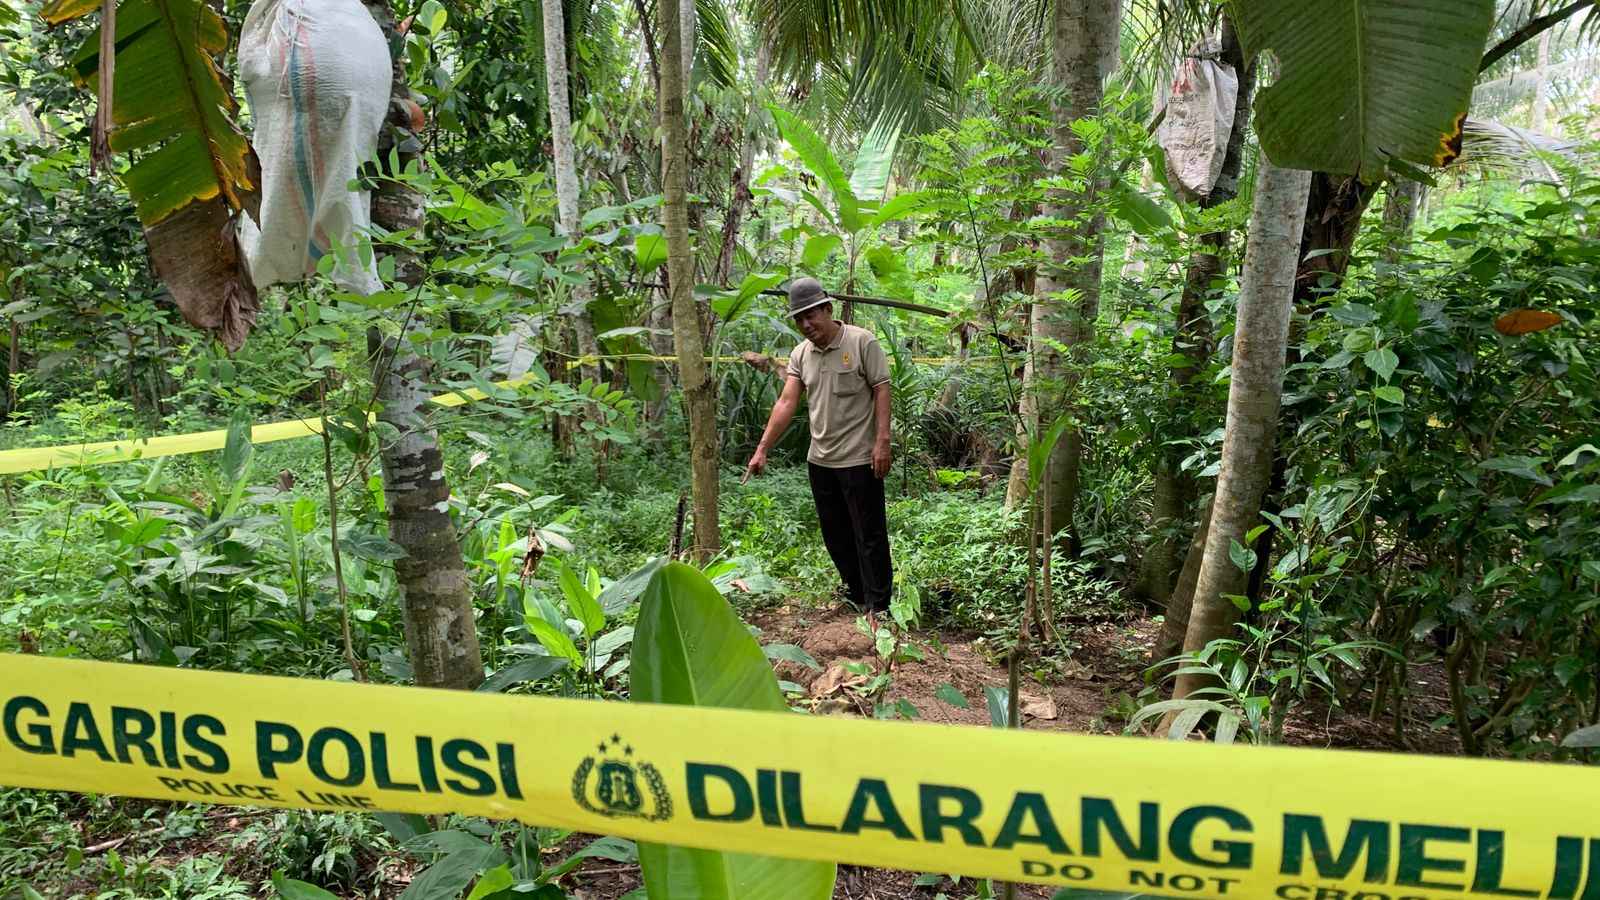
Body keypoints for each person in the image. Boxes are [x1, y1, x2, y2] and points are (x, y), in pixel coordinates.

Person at [744, 278, 894, 615]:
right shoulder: (800, 354)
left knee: (869, 534)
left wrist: (882, 442)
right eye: (799, 319)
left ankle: (879, 606)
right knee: (835, 534)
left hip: (859, 458)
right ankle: (856, 595)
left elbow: (882, 389)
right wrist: (762, 448)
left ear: (828, 308)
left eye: (811, 315)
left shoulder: (861, 342)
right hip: (821, 461)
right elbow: (786, 403)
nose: (806, 324)